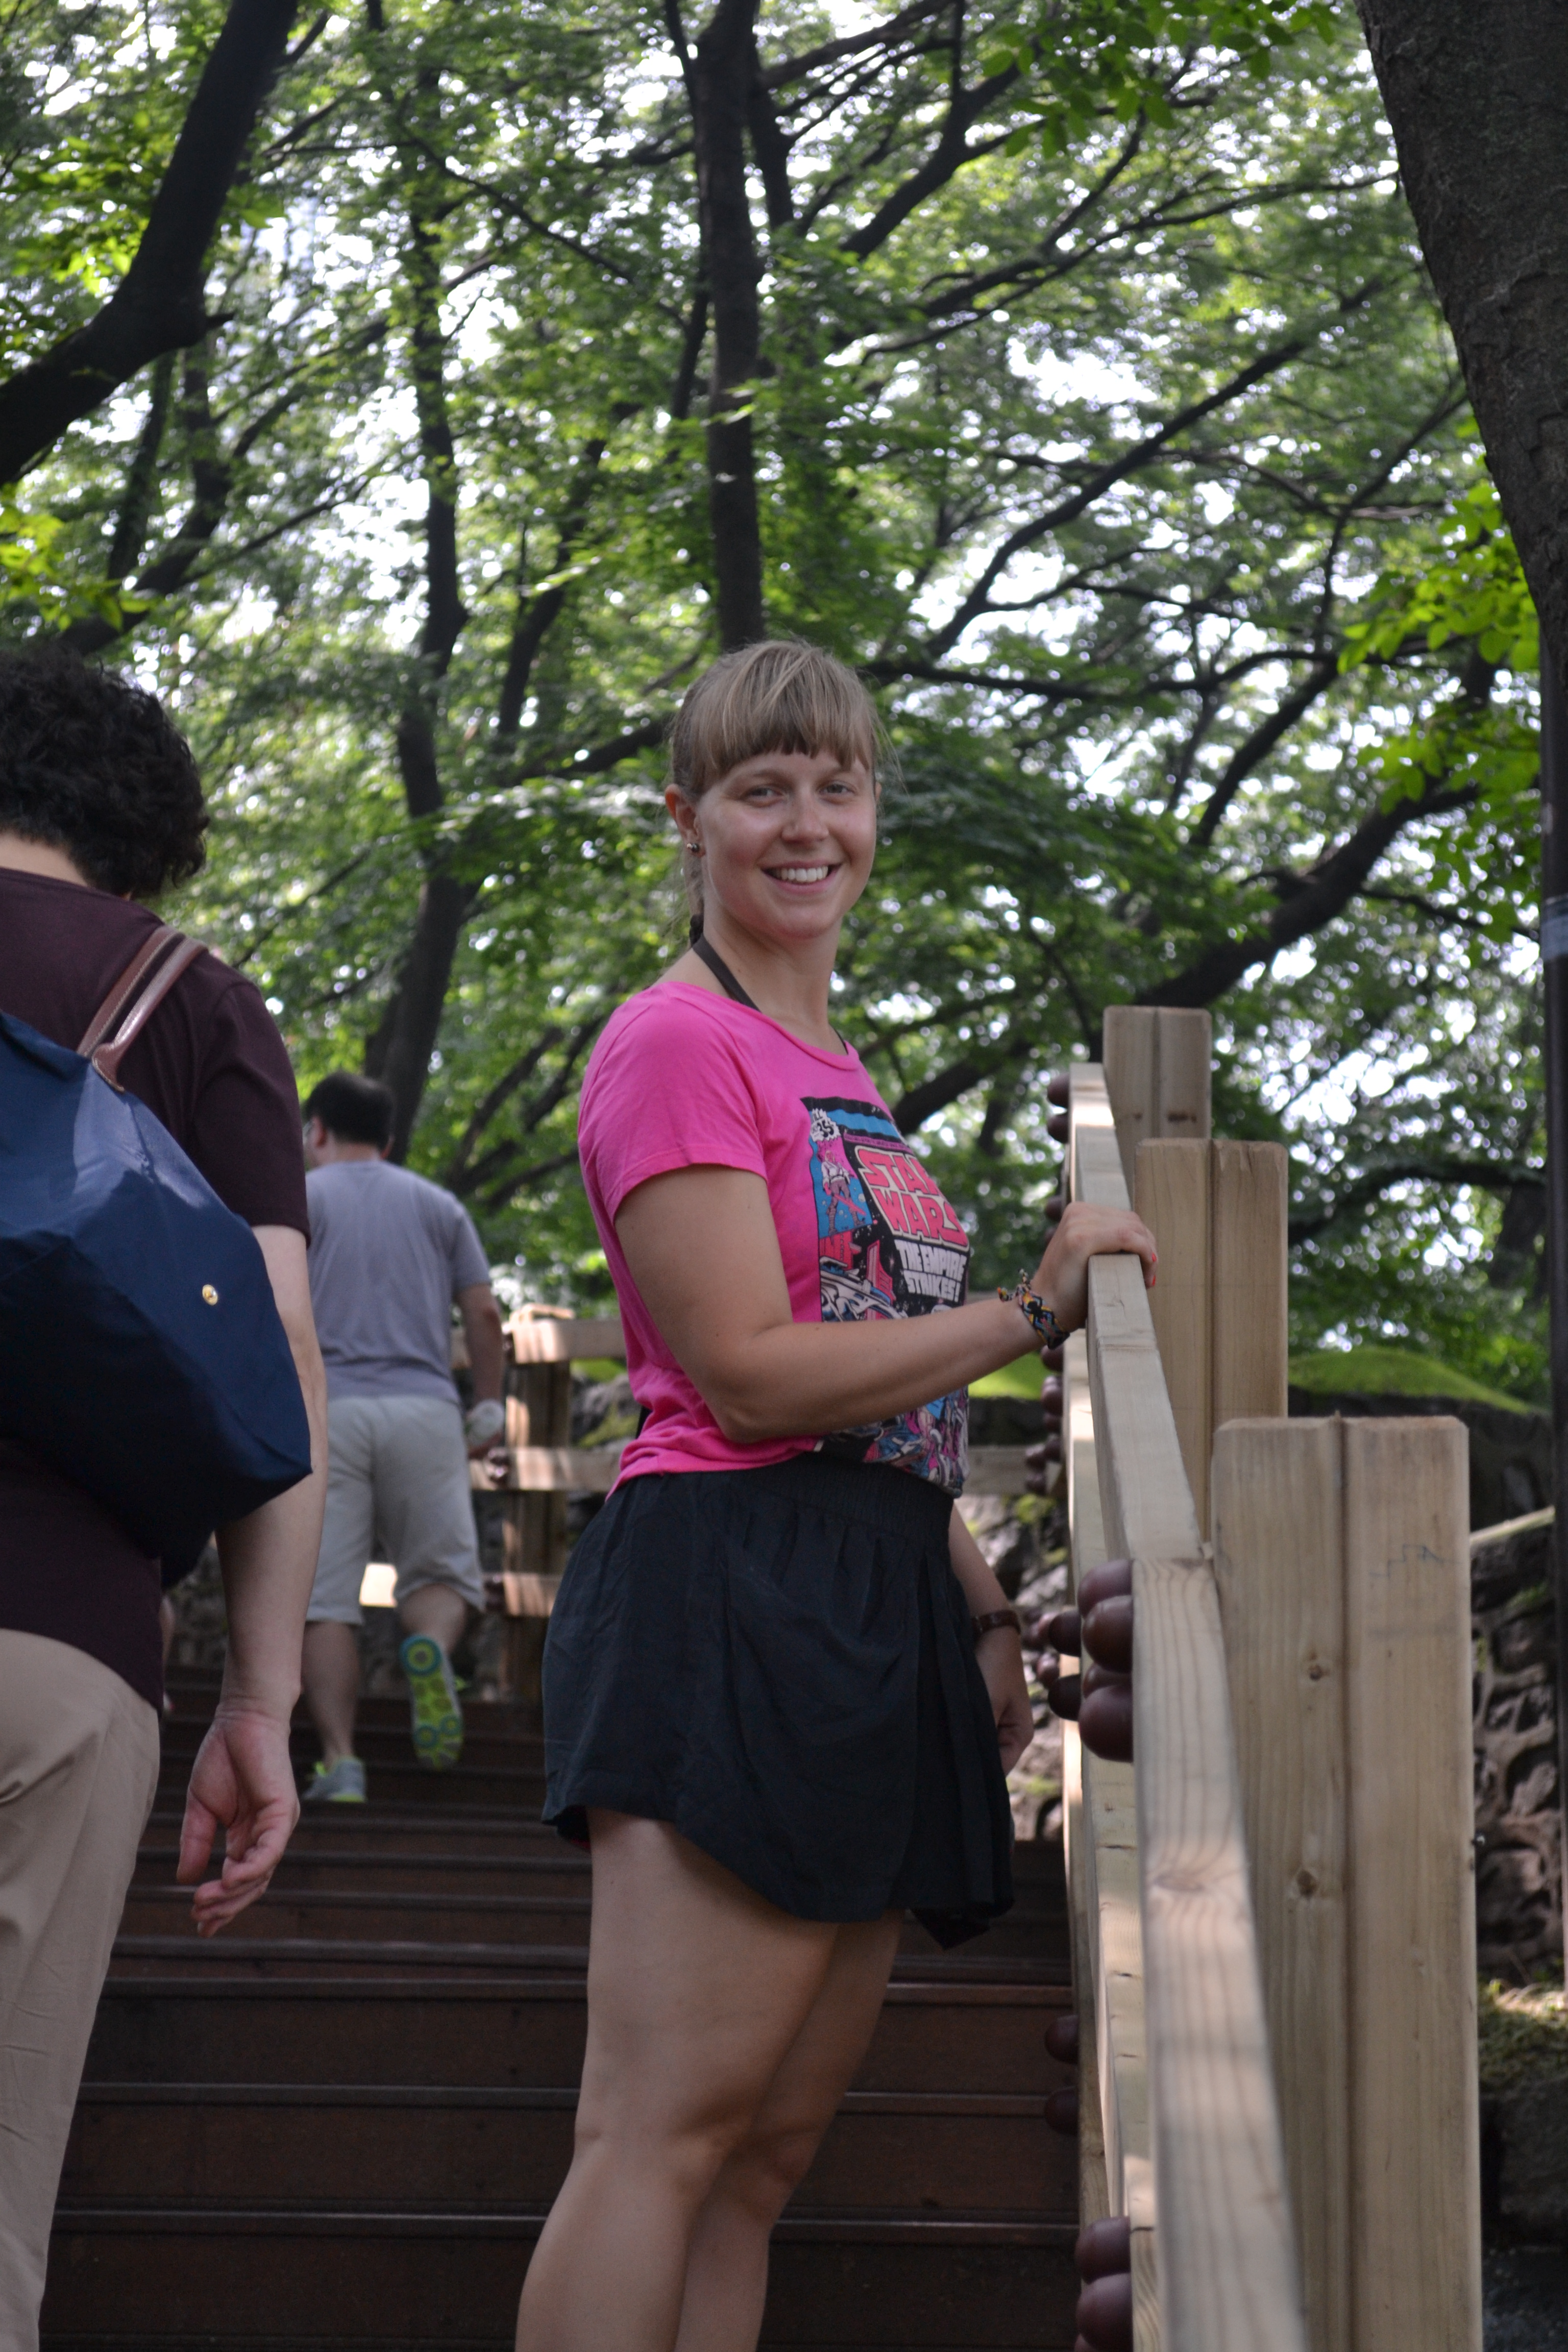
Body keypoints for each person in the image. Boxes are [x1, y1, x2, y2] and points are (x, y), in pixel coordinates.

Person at [519, 639, 1158, 2352]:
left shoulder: (840, 1070)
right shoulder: (674, 1042)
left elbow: (874, 1390)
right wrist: (1029, 1312)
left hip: (869, 1581)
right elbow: (746, 1371)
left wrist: (973, 1600)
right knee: (658, 2136)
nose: (809, 823)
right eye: (763, 788)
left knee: (760, 2160)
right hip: (726, 1580)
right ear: (689, 818)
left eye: (839, 784)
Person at [0, 645, 328, 2351]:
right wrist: (260, 1698)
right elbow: (280, 1351)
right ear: (144, 836)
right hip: (56, 1647)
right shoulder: (186, 997)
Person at [299, 1071, 506, 1799]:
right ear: (387, 1142)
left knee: (323, 1598)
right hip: (425, 1410)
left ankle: (341, 1762)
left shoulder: (301, 1202)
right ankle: (432, 1649)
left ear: (317, 1131)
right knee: (441, 1575)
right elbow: (484, 1314)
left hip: (329, 1410)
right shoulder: (438, 1206)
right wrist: (489, 1407)